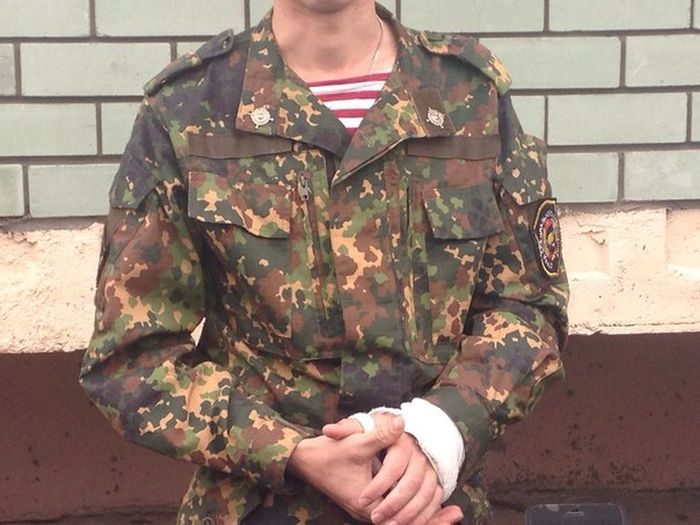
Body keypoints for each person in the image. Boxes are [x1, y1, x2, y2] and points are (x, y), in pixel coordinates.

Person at [80, 1, 569, 524]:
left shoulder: (467, 94)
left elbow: (528, 307)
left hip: (433, 508)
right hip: (259, 508)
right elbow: (130, 359)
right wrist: (289, 451)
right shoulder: (189, 107)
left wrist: (438, 432)